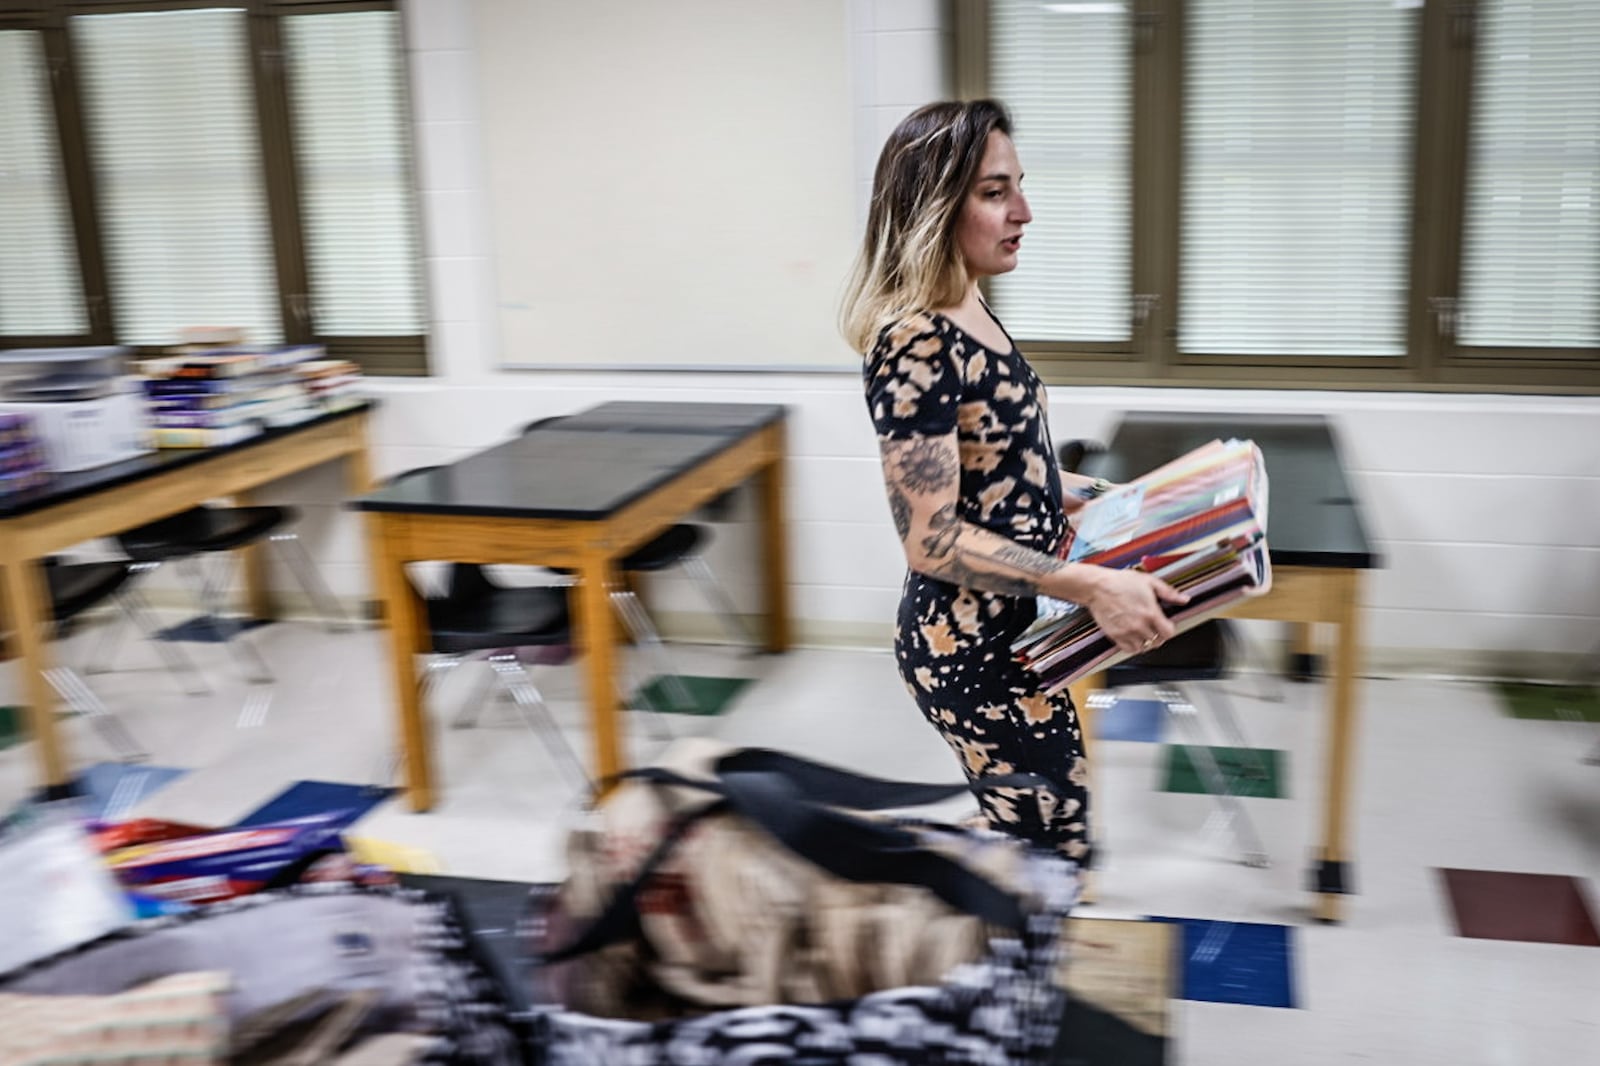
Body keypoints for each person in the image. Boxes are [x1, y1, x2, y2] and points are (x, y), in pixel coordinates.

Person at [840, 99, 1187, 862]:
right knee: (1050, 850)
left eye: (1018, 187)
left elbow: (1005, 466)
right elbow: (931, 537)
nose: (1023, 211)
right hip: (967, 649)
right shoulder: (916, 340)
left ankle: (981, 933)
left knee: (1044, 835)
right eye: (995, 192)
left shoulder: (971, 309)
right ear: (934, 204)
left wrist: (1120, 504)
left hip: (1016, 631)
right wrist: (1090, 586)